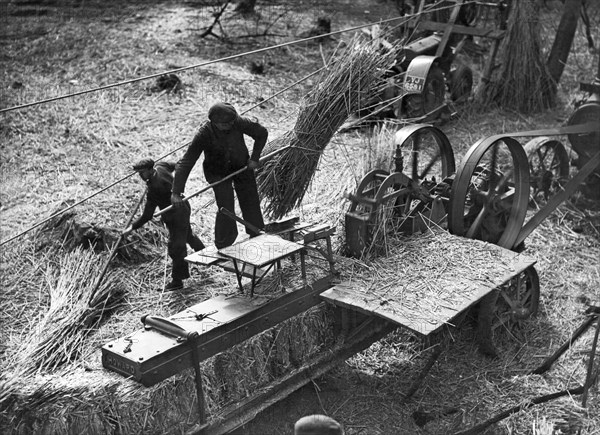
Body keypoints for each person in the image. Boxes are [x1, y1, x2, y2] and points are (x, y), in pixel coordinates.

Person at [171, 102, 268, 249]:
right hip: (217, 172)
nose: (230, 126)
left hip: (241, 166)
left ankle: (256, 232)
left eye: (231, 122)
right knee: (225, 205)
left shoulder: (238, 121)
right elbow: (187, 161)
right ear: (214, 122)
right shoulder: (204, 134)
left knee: (250, 198)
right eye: (225, 124)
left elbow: (261, 133)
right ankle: (224, 244)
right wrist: (176, 192)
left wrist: (254, 158)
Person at [123, 158, 205, 291]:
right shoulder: (161, 166)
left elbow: (147, 215)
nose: (140, 176)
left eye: (142, 173)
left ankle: (177, 282)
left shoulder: (155, 188)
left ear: (150, 170)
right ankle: (205, 255)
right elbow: (178, 165)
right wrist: (175, 188)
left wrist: (131, 227)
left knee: (176, 247)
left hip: (175, 215)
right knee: (188, 235)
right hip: (184, 205)